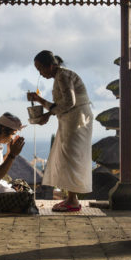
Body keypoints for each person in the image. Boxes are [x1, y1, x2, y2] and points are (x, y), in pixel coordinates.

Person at [26, 50, 92, 212]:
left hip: (77, 120)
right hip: (71, 120)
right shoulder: (60, 76)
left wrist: (47, 113)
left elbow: (69, 102)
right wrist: (39, 100)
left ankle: (73, 201)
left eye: (41, 69)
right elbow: (62, 105)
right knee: (67, 156)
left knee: (71, 157)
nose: (40, 74)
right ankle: (70, 198)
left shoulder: (63, 76)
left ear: (51, 65)